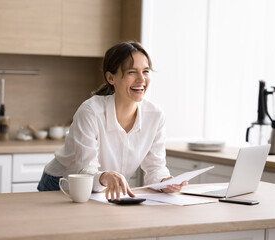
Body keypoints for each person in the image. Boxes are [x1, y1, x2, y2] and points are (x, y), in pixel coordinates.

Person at [37, 41, 187, 200]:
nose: (141, 79)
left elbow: (155, 168)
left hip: (101, 189)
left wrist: (166, 182)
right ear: (110, 77)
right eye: (131, 72)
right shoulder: (91, 111)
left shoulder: (155, 116)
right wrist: (105, 177)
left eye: (146, 71)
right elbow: (85, 172)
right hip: (61, 184)